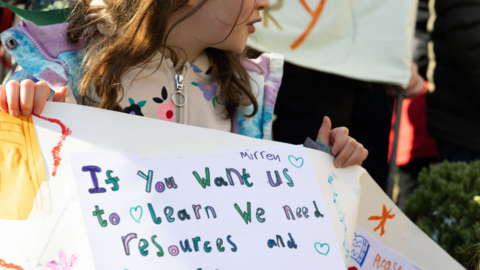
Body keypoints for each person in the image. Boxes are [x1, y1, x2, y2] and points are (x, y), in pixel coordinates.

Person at [0, 0, 368, 168]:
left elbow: (253, 206)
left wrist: (321, 167)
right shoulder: (68, 71)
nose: (267, 4)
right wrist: (24, 114)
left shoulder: (243, 87)